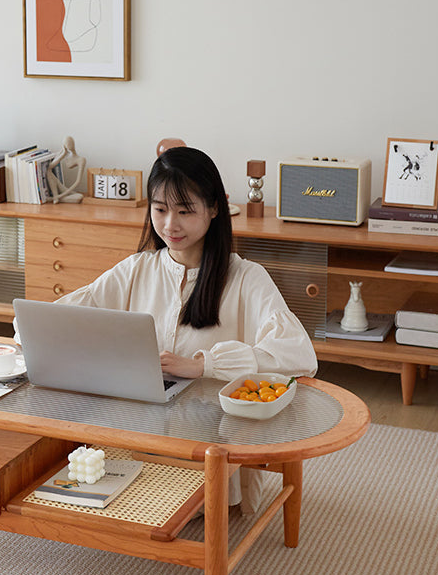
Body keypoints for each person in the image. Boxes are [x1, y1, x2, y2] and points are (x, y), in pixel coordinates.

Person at [26, 147, 318, 512]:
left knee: (160, 507)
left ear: (214, 209)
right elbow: (66, 317)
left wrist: (203, 366)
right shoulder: (136, 268)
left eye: (185, 211)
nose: (170, 225)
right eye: (160, 210)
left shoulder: (246, 278)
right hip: (133, 422)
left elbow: (299, 355)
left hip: (211, 436)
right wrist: (29, 334)